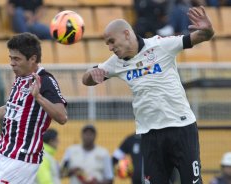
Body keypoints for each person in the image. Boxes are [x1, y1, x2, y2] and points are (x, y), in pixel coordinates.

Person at [82, 6, 214, 184]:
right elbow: (86, 79)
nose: (111, 48)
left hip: (181, 128)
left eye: (112, 41)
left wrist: (208, 29)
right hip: (150, 134)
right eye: (108, 44)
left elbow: (202, 36)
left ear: (127, 34)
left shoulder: (161, 45)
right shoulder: (115, 63)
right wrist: (91, 73)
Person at [0, 32, 68, 184]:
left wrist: (38, 97)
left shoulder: (45, 80)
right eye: (11, 58)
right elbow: (9, 108)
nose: (12, 63)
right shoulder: (20, 78)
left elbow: (62, 117)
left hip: (22, 158)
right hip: (4, 155)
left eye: (17, 59)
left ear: (33, 59)